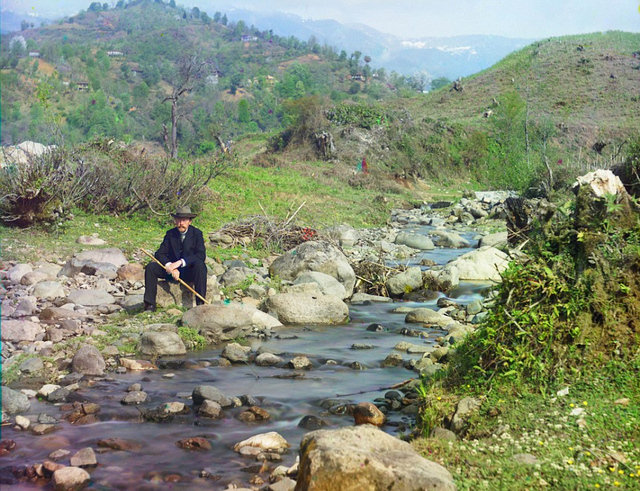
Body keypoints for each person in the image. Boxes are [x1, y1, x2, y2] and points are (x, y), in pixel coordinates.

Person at [143, 206, 207, 311]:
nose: (181, 223)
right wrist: (170, 266)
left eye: (184, 220)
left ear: (189, 221)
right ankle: (149, 304)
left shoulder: (197, 234)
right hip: (171, 272)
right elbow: (159, 253)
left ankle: (200, 304)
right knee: (151, 268)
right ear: (175, 220)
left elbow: (200, 255)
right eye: (179, 220)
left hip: (189, 271)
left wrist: (180, 263)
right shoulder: (170, 234)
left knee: (200, 266)